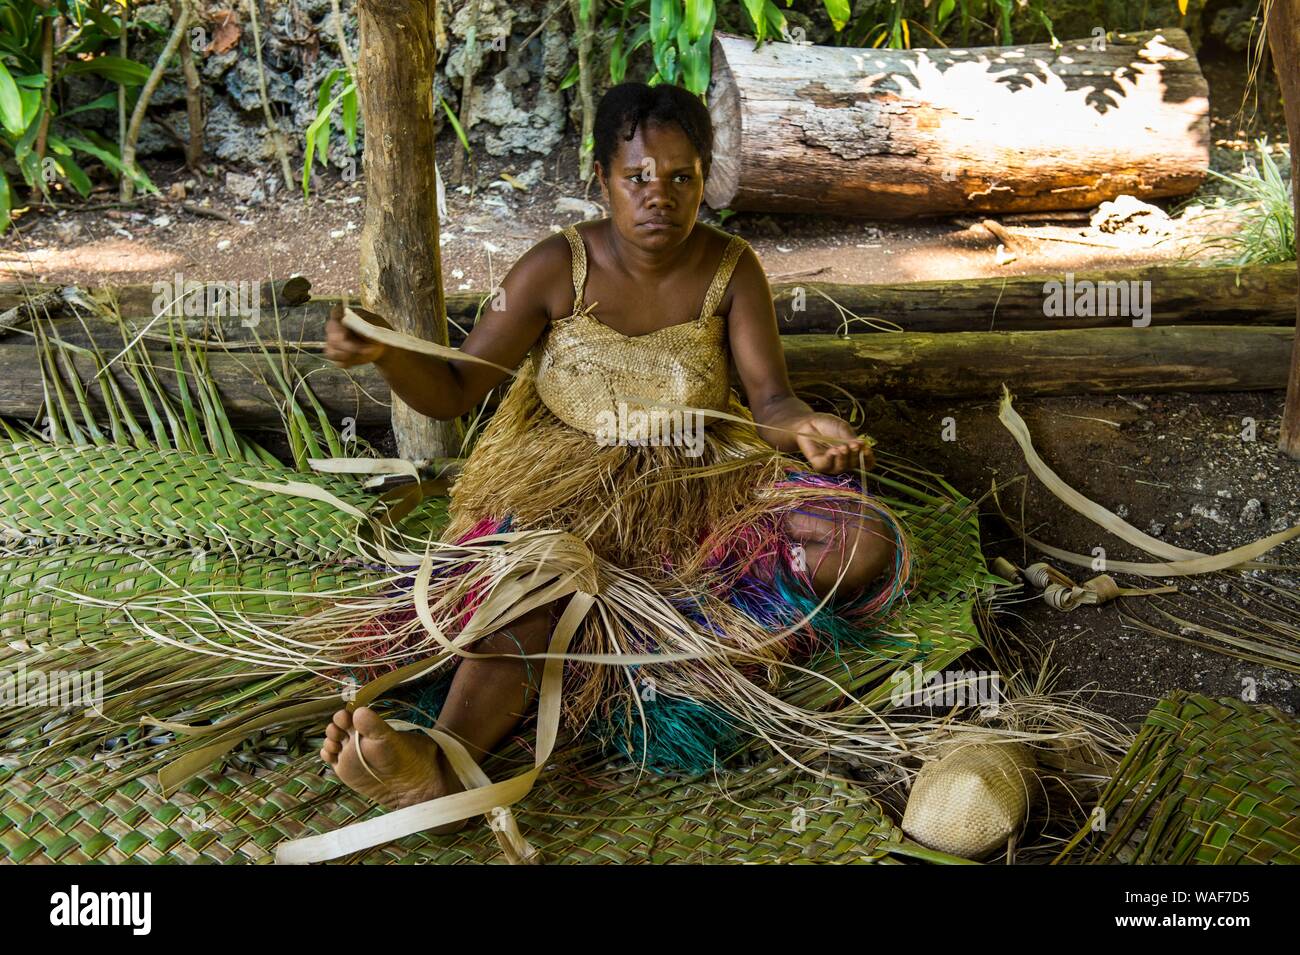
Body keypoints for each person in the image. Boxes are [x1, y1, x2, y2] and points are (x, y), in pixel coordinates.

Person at [316, 81, 914, 831]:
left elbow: (770, 403)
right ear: (601, 179)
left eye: (680, 177)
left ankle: (664, 643)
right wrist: (383, 353)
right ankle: (442, 762)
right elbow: (452, 388)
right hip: (564, 494)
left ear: (705, 180)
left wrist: (807, 429)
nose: (657, 196)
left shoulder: (732, 270)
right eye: (636, 177)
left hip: (701, 481)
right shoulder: (551, 267)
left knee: (860, 541)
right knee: (543, 581)